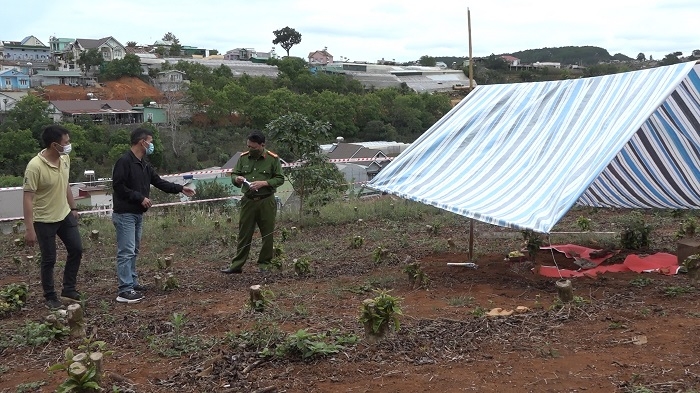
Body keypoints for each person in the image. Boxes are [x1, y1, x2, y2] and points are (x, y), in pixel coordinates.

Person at [112, 128, 195, 303]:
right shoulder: (124, 161)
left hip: (137, 214)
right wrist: (139, 197)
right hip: (125, 214)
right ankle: (124, 290)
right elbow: (119, 187)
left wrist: (180, 188)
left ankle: (132, 283)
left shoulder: (144, 164)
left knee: (133, 250)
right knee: (126, 251)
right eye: (150, 141)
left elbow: (159, 182)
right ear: (143, 142)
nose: (152, 145)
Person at [23, 125, 83, 310]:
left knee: (77, 249)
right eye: (66, 142)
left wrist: (73, 207)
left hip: (64, 214)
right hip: (44, 219)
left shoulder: (65, 159)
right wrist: (29, 229)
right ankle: (50, 296)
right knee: (49, 259)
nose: (69, 145)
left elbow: (65, 184)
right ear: (54, 144)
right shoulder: (35, 166)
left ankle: (69, 288)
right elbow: (27, 197)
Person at [221, 131, 285, 274]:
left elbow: (280, 178)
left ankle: (264, 264)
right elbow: (234, 174)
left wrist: (264, 183)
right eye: (249, 146)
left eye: (254, 148)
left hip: (266, 201)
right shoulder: (243, 158)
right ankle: (237, 265)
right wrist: (236, 179)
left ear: (262, 145)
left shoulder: (272, 159)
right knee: (244, 233)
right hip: (248, 201)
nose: (251, 150)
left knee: (267, 234)